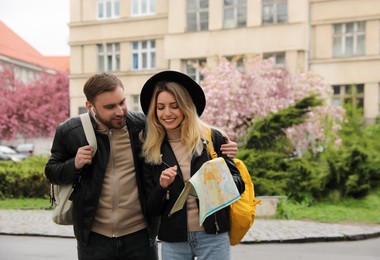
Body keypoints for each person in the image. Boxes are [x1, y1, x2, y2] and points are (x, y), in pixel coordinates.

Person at [45, 72, 238, 260]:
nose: (120, 111)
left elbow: (185, 125)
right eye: (110, 107)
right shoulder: (71, 131)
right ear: (90, 106)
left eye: (122, 102)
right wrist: (75, 164)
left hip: (140, 237)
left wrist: (222, 146)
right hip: (94, 239)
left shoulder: (142, 126)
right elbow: (52, 171)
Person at [140, 70, 246, 260]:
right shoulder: (151, 150)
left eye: (174, 106)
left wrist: (216, 181)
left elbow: (239, 184)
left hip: (213, 235)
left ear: (185, 107)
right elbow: (151, 208)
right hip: (174, 239)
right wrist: (162, 187)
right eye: (161, 107)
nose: (167, 113)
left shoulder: (212, 138)